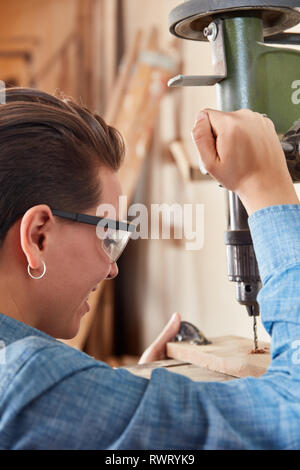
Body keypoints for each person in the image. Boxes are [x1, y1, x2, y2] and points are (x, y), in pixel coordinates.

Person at [0, 88, 299, 450]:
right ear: (38, 236)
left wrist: (130, 402)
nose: (111, 269)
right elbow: (288, 419)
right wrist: (266, 187)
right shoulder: (25, 378)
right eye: (106, 234)